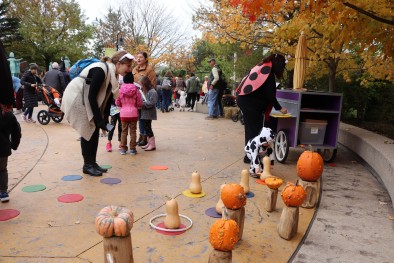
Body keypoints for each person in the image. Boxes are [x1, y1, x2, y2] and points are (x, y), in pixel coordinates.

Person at [61, 51, 135, 176]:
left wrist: (104, 118)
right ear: (118, 63)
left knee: (94, 129)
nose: (129, 69)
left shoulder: (112, 75)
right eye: (128, 66)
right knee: (88, 129)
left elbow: (106, 98)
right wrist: (98, 119)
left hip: (85, 97)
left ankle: (92, 163)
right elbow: (92, 97)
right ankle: (87, 165)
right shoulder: (101, 70)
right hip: (76, 97)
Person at [236, 53, 288, 163]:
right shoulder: (268, 74)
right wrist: (280, 108)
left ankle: (249, 156)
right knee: (254, 131)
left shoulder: (262, 67)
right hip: (250, 103)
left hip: (244, 100)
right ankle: (251, 157)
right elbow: (270, 95)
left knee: (251, 129)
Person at [132, 51, 157, 147]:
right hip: (136, 96)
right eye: (137, 57)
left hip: (145, 96)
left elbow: (152, 84)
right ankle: (141, 137)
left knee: (144, 118)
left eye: (141, 57)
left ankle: (146, 138)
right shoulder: (134, 69)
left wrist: (146, 93)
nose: (138, 59)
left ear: (146, 59)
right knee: (139, 118)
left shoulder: (149, 70)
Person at [115, 72, 143, 155]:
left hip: (123, 114)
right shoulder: (136, 90)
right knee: (133, 132)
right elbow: (140, 103)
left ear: (124, 80)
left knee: (124, 132)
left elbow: (117, 102)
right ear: (132, 80)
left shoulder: (120, 90)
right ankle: (132, 149)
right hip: (134, 113)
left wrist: (122, 105)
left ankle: (123, 149)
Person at [0, 104, 22, 202]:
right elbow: (16, 131)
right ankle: (3, 192)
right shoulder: (8, 114)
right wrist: (14, 145)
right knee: (2, 170)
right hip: (3, 148)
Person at [139, 76, 158, 151]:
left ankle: (152, 144)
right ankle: (149, 143)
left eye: (141, 84)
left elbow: (152, 102)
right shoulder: (146, 91)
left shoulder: (152, 91)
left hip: (149, 113)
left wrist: (142, 103)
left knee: (148, 128)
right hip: (145, 112)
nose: (141, 86)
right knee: (146, 128)